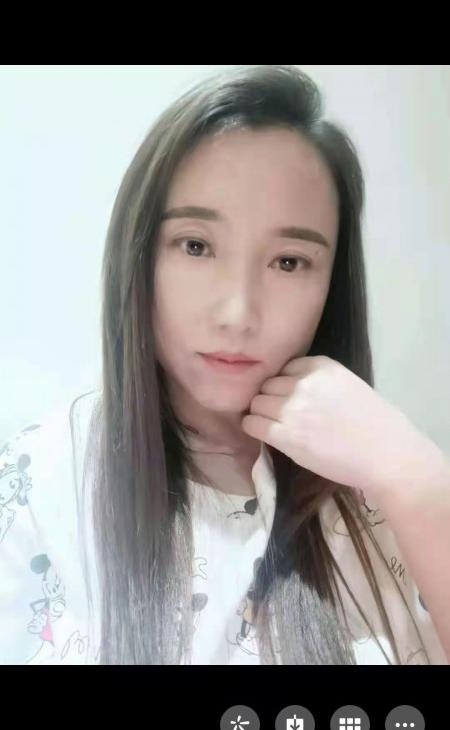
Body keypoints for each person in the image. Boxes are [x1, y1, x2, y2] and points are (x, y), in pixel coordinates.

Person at [1, 65, 448, 665]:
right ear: (139, 257)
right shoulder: (41, 484)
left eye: (289, 262)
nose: (238, 314)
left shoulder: (380, 483)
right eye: (196, 246)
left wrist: (419, 479)